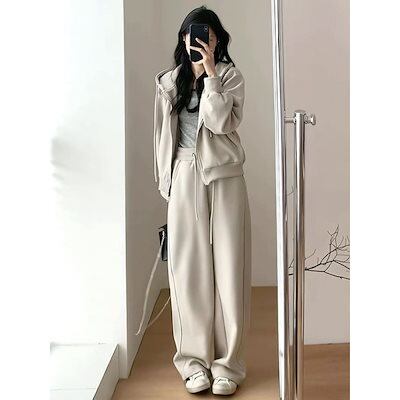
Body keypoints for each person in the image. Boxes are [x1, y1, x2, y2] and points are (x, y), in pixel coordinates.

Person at [153, 6, 251, 396]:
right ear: (183, 38)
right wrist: (167, 183)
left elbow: (222, 123)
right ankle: (194, 364)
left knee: (230, 268)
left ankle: (228, 365)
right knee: (188, 272)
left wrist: (210, 76)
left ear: (216, 40)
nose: (199, 41)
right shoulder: (168, 82)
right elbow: (161, 135)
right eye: (192, 35)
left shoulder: (230, 77)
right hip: (184, 176)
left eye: (207, 36)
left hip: (225, 177)